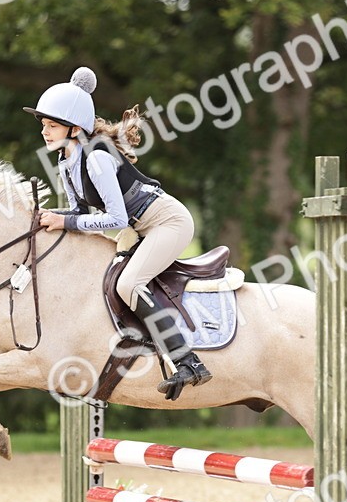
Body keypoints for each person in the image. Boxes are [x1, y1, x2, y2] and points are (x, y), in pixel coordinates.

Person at [24, 67, 212, 400]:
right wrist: (47, 218)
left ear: (74, 127)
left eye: (52, 125)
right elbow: (80, 213)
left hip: (168, 222)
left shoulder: (96, 157)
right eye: (43, 126)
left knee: (129, 284)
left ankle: (188, 362)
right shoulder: (67, 160)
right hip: (140, 226)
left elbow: (115, 218)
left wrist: (64, 222)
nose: (45, 132)